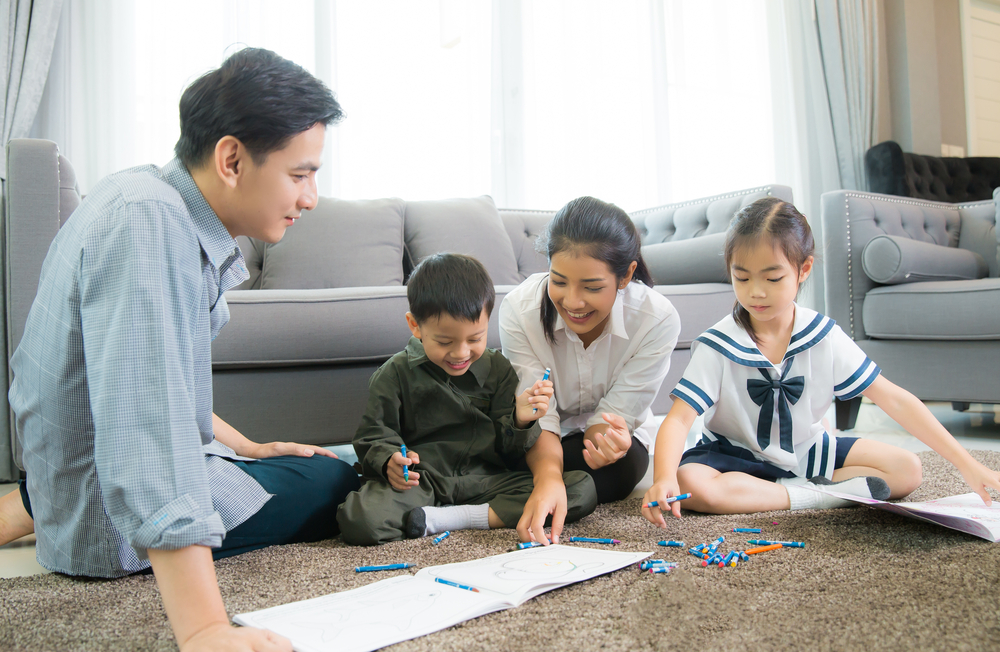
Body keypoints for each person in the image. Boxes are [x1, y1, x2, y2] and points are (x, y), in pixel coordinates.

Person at [0, 48, 361, 652]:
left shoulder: (141, 195)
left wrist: (248, 446)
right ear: (231, 159)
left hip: (72, 476)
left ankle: (34, 507)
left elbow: (153, 381)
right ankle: (47, 512)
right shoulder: (152, 229)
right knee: (335, 479)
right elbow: (150, 433)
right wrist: (204, 630)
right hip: (107, 525)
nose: (312, 197)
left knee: (292, 460)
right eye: (300, 174)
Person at [642, 197, 1000, 526]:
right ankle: (820, 495)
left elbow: (893, 398)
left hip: (809, 451)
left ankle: (792, 491)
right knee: (691, 482)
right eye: (742, 277)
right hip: (732, 457)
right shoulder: (718, 344)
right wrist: (664, 478)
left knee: (908, 470)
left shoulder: (823, 335)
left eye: (773, 277)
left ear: (804, 269)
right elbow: (677, 421)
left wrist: (965, 464)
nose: (756, 291)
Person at [337, 253, 598, 545]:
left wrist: (521, 420)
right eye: (445, 341)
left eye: (475, 339)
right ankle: (458, 514)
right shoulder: (394, 374)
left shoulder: (498, 370)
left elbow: (510, 453)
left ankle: (448, 519)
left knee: (580, 489)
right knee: (360, 518)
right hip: (423, 482)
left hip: (486, 482)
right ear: (415, 326)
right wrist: (389, 461)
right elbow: (374, 435)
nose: (461, 353)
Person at [499, 196, 681, 544]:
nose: (572, 302)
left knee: (623, 465)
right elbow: (539, 415)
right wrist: (549, 475)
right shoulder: (519, 311)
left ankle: (518, 490)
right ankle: (543, 487)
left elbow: (612, 417)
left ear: (626, 274)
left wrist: (608, 444)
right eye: (559, 281)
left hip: (587, 445)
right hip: (535, 434)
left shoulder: (656, 319)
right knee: (510, 452)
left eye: (592, 287)